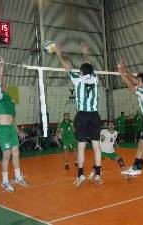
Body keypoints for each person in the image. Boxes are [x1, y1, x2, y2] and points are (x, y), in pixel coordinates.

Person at [56, 42, 102, 187]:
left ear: (81, 72)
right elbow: (88, 65)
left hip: (81, 116)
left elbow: (67, 67)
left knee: (81, 146)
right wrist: (85, 53)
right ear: (91, 71)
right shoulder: (95, 79)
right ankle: (99, 175)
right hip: (94, 115)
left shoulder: (78, 79)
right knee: (96, 146)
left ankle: (80, 175)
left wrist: (58, 53)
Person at [0, 54, 27, 192]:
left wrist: (19, 131)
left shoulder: (9, 100)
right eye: (2, 84)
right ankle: (4, 181)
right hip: (2, 130)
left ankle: (18, 177)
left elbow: (13, 119)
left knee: (16, 153)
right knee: (6, 155)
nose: (4, 85)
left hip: (12, 130)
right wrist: (2, 64)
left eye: (5, 85)